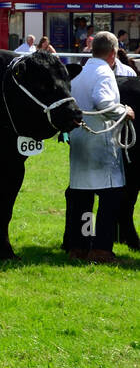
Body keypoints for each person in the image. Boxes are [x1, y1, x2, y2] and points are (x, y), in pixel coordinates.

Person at [67, 32, 135, 264]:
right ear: (114, 53)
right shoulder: (105, 73)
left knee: (83, 200)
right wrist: (123, 111)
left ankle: (80, 246)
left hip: (79, 143)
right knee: (111, 198)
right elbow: (102, 101)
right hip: (100, 144)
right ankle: (102, 249)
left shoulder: (80, 74)